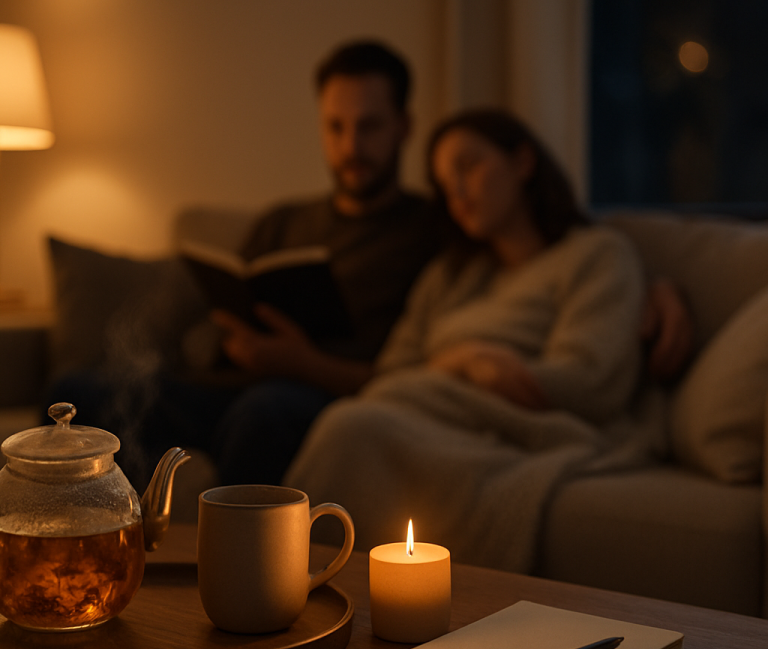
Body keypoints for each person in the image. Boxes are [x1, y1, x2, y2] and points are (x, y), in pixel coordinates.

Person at [47, 40, 442, 490]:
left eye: (369, 127)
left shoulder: (431, 231)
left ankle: (233, 556)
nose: (351, 146)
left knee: (262, 413)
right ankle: (104, 538)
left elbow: (413, 374)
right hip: (221, 390)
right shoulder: (283, 221)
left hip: (316, 397)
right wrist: (230, 335)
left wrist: (303, 362)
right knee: (74, 395)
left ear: (405, 126)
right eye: (336, 127)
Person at [285, 108, 661, 573]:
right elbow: (390, 375)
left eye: (469, 167)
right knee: (351, 421)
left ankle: (296, 579)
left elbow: (590, 381)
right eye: (445, 183)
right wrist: (463, 361)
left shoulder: (595, 254)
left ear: (522, 162)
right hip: (423, 412)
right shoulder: (450, 275)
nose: (457, 192)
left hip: (515, 426)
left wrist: (487, 373)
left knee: (352, 427)